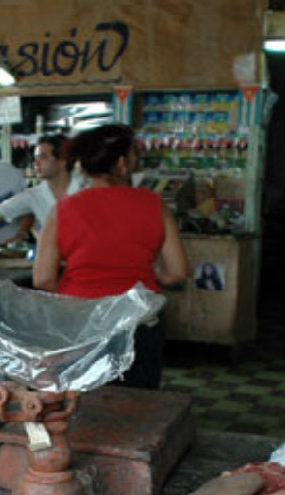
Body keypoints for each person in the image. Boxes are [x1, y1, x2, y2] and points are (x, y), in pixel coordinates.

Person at [33, 124, 188, 389]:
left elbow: (43, 279)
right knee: (137, 400)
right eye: (133, 154)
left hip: (79, 321)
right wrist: (147, 278)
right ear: (121, 162)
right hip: (138, 319)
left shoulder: (64, 209)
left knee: (82, 401)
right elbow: (177, 273)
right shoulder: (153, 204)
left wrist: (78, 293)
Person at [0, 134, 84, 239]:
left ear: (62, 161)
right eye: (35, 158)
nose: (35, 163)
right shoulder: (34, 195)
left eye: (43, 157)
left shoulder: (87, 186)